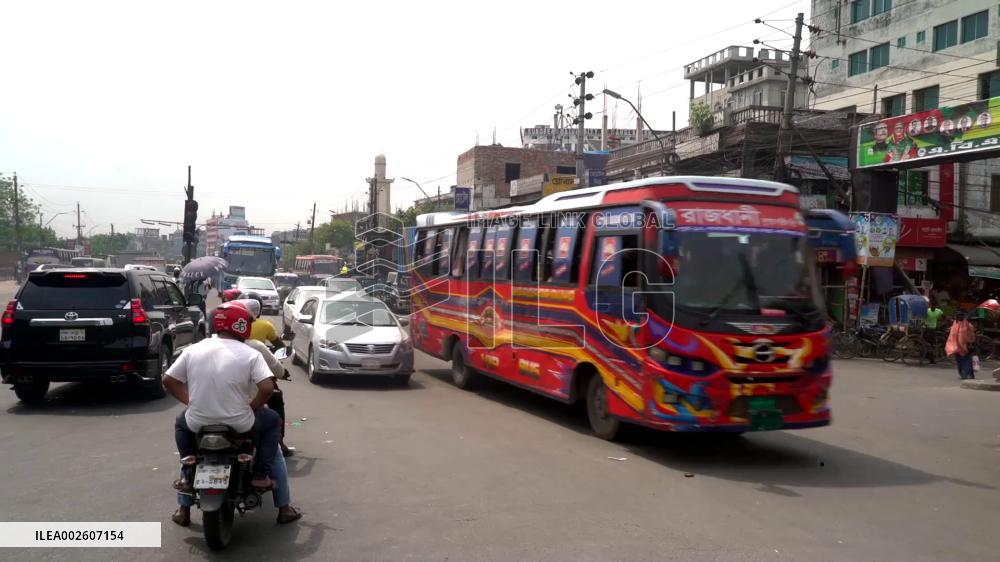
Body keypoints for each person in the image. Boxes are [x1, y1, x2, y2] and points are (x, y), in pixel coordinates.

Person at [163, 303, 292, 526]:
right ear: (241, 326)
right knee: (273, 422)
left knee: (183, 432)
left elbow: (168, 380)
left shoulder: (193, 349)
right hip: (240, 422)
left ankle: (186, 490)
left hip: (198, 421)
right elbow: (267, 388)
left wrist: (190, 403)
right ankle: (262, 477)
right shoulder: (252, 352)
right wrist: (253, 407)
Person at [231, 298, 296, 458]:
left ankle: (186, 468)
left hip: (212, 406)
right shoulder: (256, 346)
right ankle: (279, 444)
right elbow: (279, 353)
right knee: (274, 410)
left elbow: (173, 380)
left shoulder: (204, 347)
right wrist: (253, 406)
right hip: (256, 383)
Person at [946, 310, 977, 380]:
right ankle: (964, 374)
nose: (960, 317)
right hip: (956, 347)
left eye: (961, 315)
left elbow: (972, 335)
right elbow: (952, 334)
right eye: (958, 315)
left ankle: (968, 374)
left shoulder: (967, 325)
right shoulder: (955, 324)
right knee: (960, 361)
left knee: (966, 361)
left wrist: (970, 342)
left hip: (966, 346)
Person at [923, 300, 945, 364]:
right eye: (932, 305)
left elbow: (944, 317)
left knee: (931, 344)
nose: (933, 306)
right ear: (930, 305)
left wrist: (943, 322)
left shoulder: (938, 311)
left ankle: (930, 357)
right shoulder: (927, 311)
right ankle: (930, 357)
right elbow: (923, 318)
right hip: (927, 328)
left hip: (933, 329)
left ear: (936, 306)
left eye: (934, 305)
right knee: (929, 344)